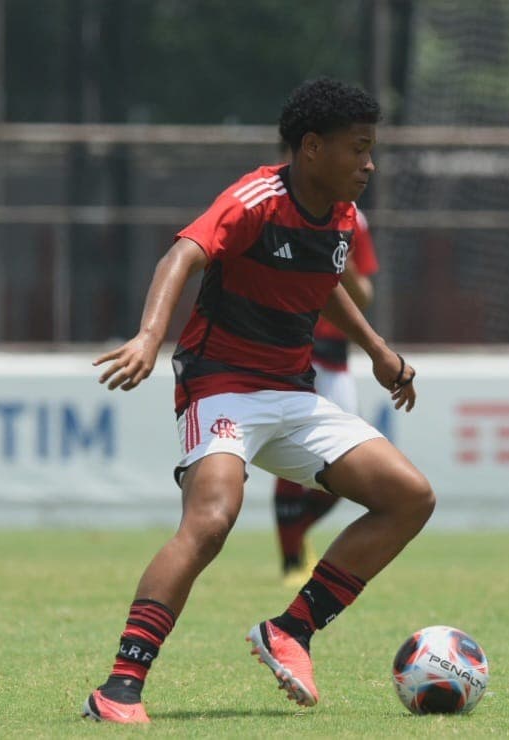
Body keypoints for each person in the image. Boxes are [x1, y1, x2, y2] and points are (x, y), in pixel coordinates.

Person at [81, 77, 435, 724]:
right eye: (357, 149)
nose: (369, 163)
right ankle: (120, 685)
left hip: (292, 392)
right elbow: (180, 255)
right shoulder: (255, 199)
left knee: (410, 497)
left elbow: (325, 281)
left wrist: (380, 351)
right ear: (310, 148)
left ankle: (291, 631)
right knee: (212, 520)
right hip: (220, 383)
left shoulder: (342, 217)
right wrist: (149, 336)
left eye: (371, 148)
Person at [274, 206, 378, 587]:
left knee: (350, 464)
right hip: (295, 351)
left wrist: (341, 268)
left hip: (337, 361)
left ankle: (295, 536)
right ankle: (291, 560)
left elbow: (364, 295)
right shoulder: (277, 211)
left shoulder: (355, 221)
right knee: (290, 455)